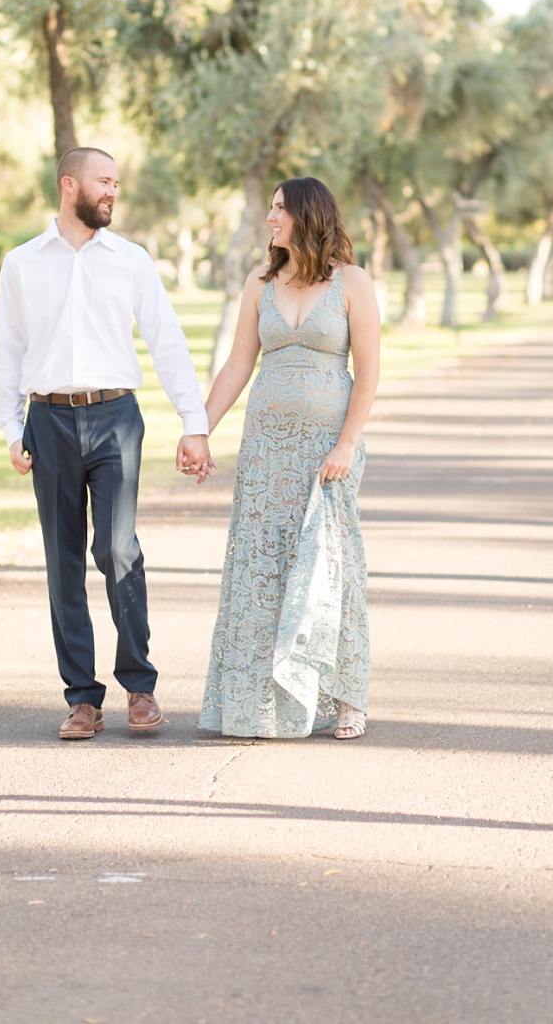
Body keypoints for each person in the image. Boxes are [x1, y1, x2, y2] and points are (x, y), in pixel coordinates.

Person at [0, 145, 211, 740]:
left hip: (116, 416)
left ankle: (140, 685)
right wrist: (12, 429)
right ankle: (82, 698)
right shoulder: (23, 263)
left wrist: (195, 421)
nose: (113, 192)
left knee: (116, 550)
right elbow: (6, 353)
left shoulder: (130, 260)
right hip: (49, 421)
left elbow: (167, 342)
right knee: (62, 559)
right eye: (103, 181)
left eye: (116, 183)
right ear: (69, 185)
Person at [195, 177, 379, 741]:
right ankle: (254, 700)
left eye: (279, 208)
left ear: (306, 214)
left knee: (329, 561)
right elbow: (236, 366)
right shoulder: (261, 282)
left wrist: (346, 443)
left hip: (327, 449)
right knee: (262, 567)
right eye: (271, 207)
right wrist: (198, 431)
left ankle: (346, 696)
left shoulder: (352, 282)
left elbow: (368, 370)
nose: (271, 217)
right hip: (265, 450)